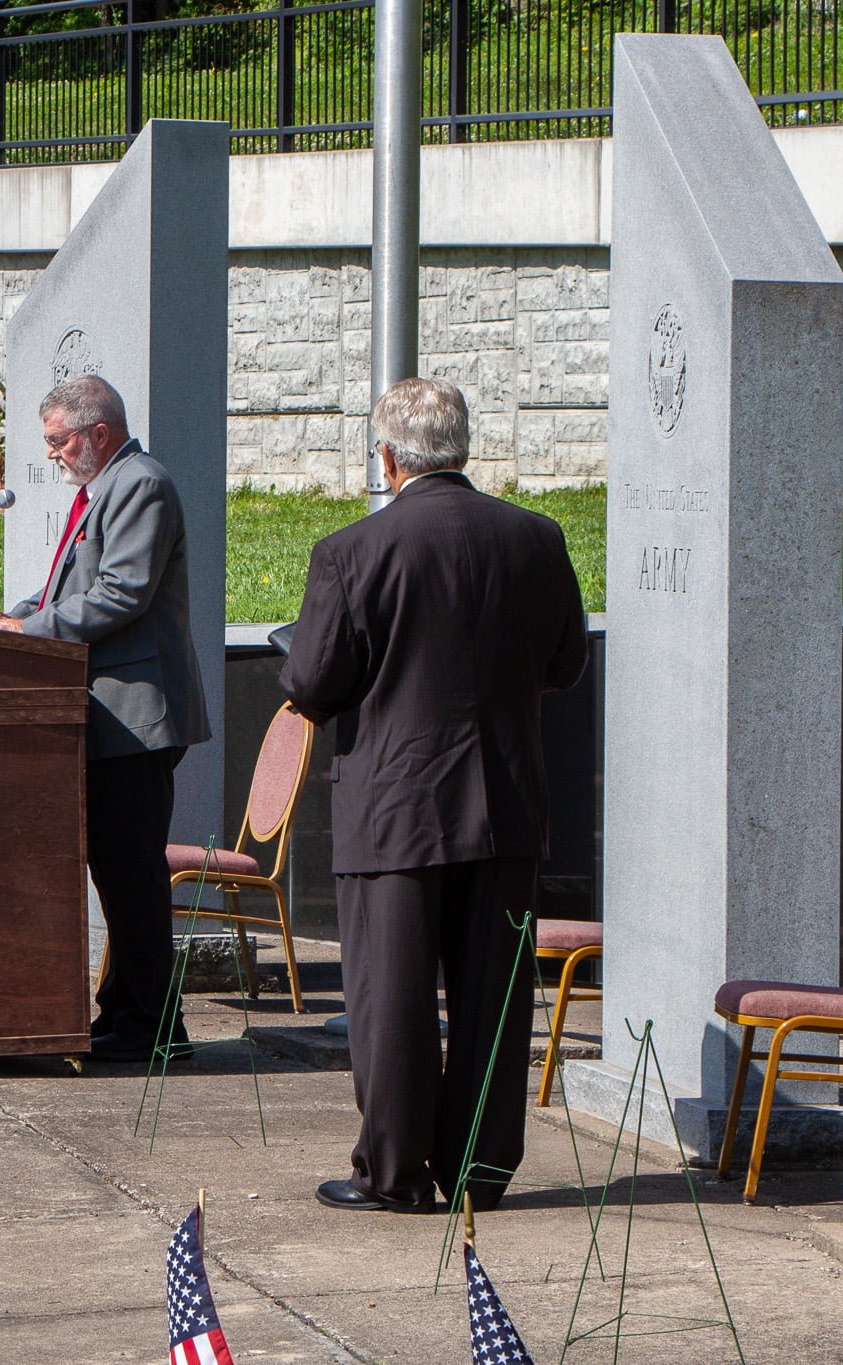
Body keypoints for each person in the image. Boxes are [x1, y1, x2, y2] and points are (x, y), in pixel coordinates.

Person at [280, 376, 588, 1214]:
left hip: (396, 808)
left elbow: (312, 682)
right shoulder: (536, 538)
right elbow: (567, 663)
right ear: (464, 446)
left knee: (392, 1000)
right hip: (505, 804)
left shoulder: (352, 551)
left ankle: (395, 1170)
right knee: (493, 1001)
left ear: (387, 458)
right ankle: (479, 1171)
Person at [0, 375, 211, 1063]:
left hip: (135, 717)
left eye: (59, 441)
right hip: (107, 717)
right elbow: (68, 589)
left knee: (132, 876)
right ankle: (125, 1013)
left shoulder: (142, 485)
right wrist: (15, 616)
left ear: (97, 433)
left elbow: (122, 594)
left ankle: (156, 1027)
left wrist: (28, 631)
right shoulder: (105, 488)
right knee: (116, 874)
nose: (52, 454)